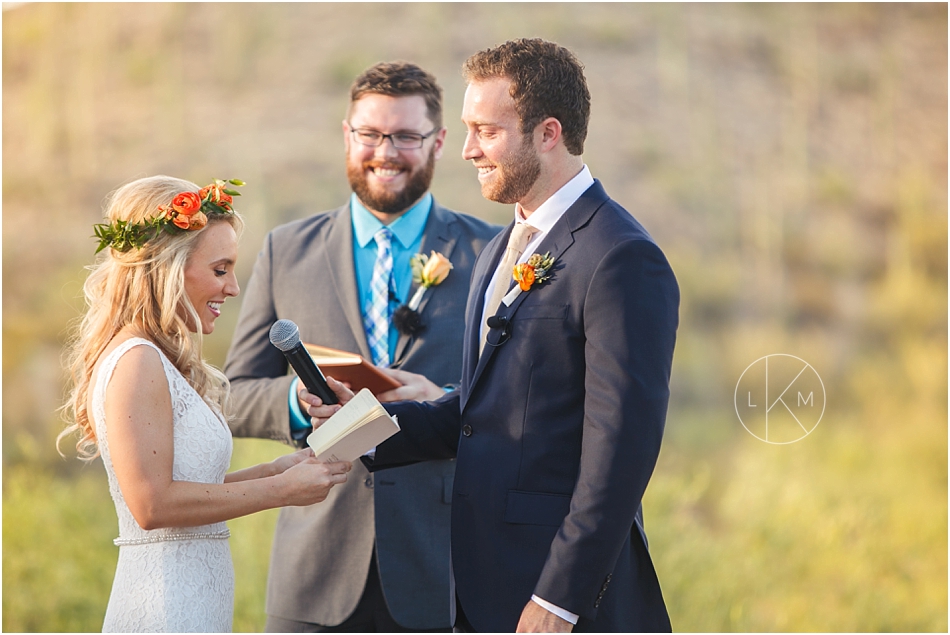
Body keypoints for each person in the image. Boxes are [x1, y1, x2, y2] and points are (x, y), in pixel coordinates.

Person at [309, 39, 680, 632]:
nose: (466, 150)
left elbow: (621, 453)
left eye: (486, 131)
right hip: (480, 589)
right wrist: (360, 427)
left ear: (548, 133)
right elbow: (482, 411)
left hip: (561, 599)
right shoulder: (496, 253)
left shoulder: (621, 257)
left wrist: (562, 598)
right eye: (466, 128)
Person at [223, 62, 499, 632]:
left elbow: (515, 397)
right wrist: (302, 403)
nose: (385, 151)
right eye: (370, 134)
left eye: (405, 136)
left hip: (445, 570)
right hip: (316, 572)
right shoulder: (285, 251)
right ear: (347, 134)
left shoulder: (491, 252)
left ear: (439, 142)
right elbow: (235, 397)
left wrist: (442, 398)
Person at [58, 176, 351, 633]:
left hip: (193, 602)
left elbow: (186, 485)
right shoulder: (137, 360)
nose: (233, 288)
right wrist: (283, 492)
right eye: (220, 270)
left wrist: (276, 470)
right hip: (164, 607)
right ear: (166, 267)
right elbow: (153, 505)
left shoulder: (157, 358)